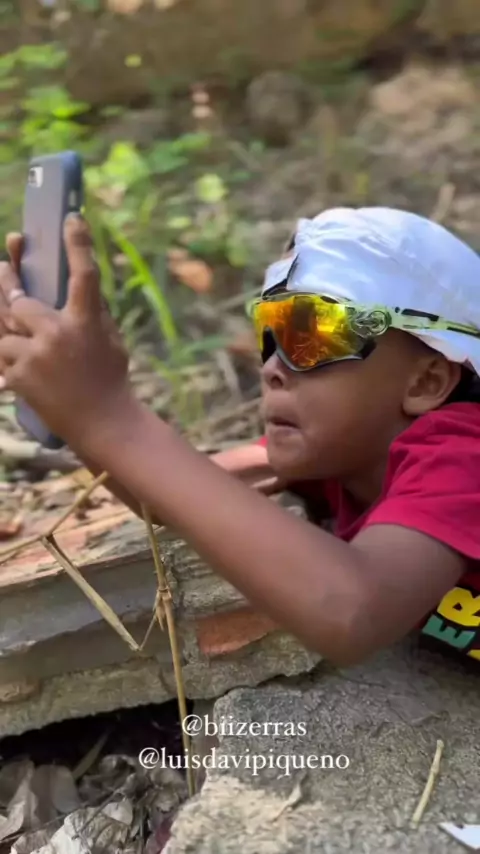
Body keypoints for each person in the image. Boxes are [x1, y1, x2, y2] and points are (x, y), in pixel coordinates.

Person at [1, 206, 480, 668]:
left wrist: (108, 416)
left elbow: (354, 611)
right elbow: (167, 499)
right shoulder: (342, 451)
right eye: (270, 332)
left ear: (427, 382)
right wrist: (68, 398)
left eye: (311, 336)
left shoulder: (464, 455)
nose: (272, 368)